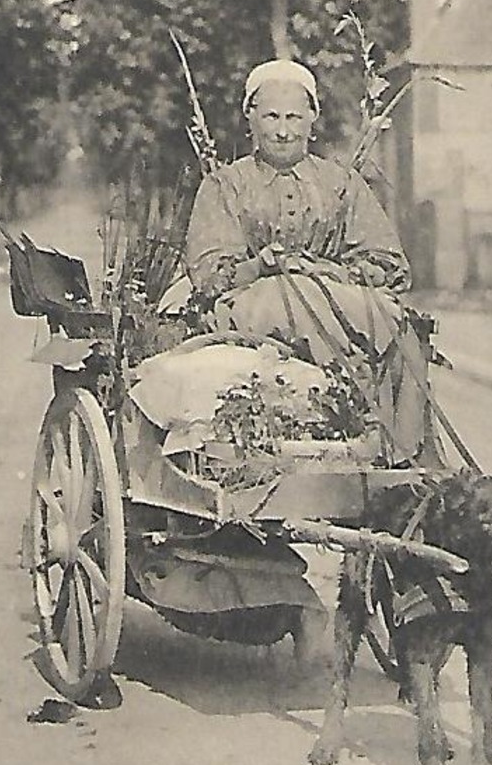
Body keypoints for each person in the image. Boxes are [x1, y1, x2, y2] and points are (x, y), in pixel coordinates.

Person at [181, 59, 430, 464]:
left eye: (295, 117)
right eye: (272, 117)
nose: (283, 130)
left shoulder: (341, 184)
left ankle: (399, 453)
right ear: (251, 117)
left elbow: (389, 264)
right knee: (293, 308)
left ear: (312, 119)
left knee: (400, 323)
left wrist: (331, 270)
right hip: (250, 300)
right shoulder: (225, 185)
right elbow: (210, 275)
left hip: (336, 293)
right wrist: (261, 264)